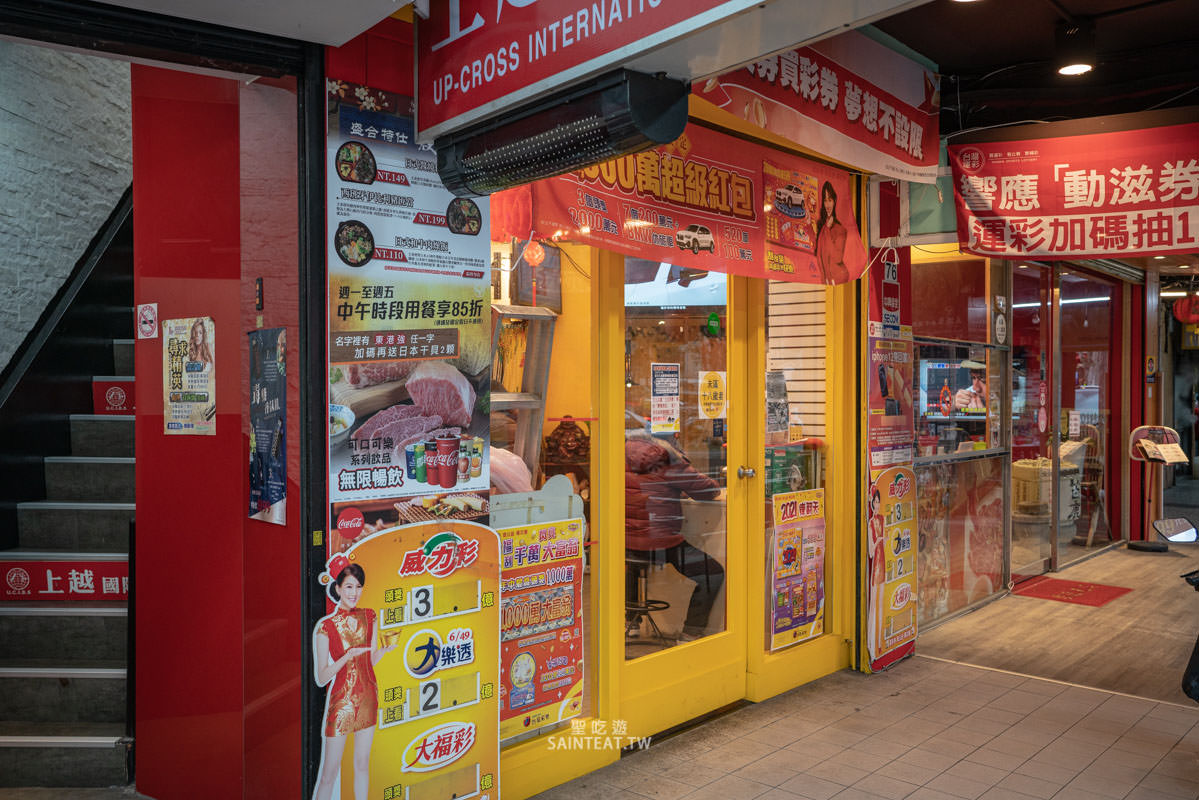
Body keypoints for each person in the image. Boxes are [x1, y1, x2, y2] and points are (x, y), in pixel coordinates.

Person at [312, 555, 395, 800]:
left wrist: (384, 650)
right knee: (329, 772)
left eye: (358, 587)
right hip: (341, 703)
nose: (354, 592)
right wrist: (346, 657)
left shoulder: (370, 616)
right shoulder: (326, 627)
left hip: (368, 697)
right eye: (348, 586)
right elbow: (322, 676)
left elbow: (369, 662)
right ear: (337, 588)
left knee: (362, 764)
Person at [625, 434, 723, 635]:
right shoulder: (664, 456)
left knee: (635, 561)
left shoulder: (624, 449)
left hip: (626, 538)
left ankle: (632, 620)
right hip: (661, 542)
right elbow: (705, 490)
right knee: (713, 573)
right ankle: (690, 633)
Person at [814, 181, 849, 285]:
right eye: (825, 200)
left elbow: (837, 257)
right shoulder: (823, 226)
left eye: (830, 200)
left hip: (839, 279)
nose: (827, 204)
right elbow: (817, 252)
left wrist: (828, 231)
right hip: (826, 281)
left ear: (835, 201)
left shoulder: (840, 229)